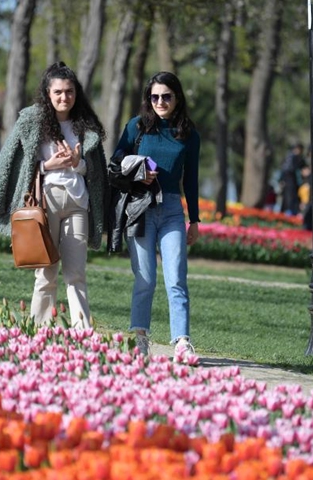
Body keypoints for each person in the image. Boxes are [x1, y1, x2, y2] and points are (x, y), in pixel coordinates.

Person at [0, 62, 108, 330]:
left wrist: (77, 162)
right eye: (58, 92)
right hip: (46, 202)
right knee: (46, 271)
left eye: (70, 91)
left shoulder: (85, 125)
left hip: (78, 203)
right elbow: (14, 163)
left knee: (76, 273)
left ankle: (82, 332)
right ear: (48, 93)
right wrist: (47, 165)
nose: (64, 97)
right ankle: (39, 330)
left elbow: (95, 171)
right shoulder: (32, 121)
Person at [109, 71, 200, 359]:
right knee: (145, 279)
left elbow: (191, 179)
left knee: (176, 278)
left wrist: (194, 220)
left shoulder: (189, 134)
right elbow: (116, 161)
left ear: (177, 98)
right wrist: (138, 172)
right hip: (141, 208)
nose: (160, 102)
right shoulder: (137, 127)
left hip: (172, 210)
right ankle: (140, 338)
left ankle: (182, 342)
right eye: (154, 97)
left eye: (166, 96)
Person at [278, 142, 306, 216]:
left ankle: (287, 211)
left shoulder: (290, 156)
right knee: (290, 196)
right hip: (289, 178)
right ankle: (289, 212)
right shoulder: (293, 157)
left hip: (288, 178)